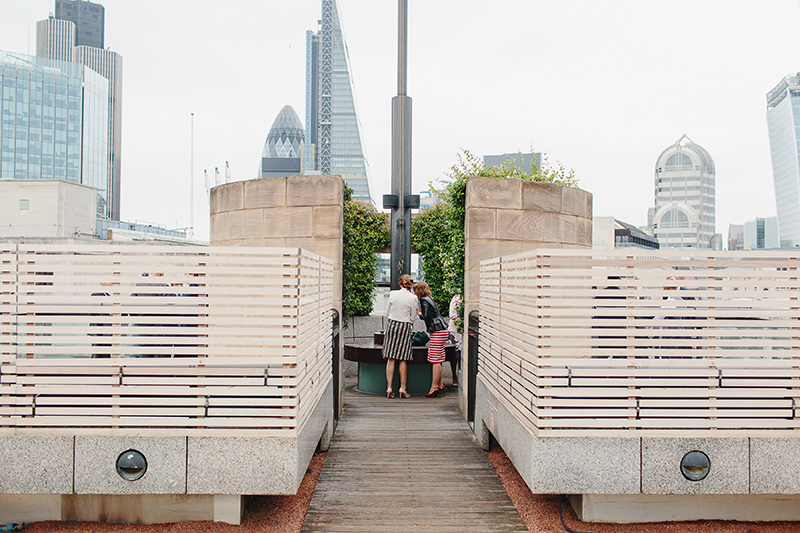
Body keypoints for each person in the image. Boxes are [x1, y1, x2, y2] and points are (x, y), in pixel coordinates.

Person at [383, 274, 418, 398]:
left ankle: (389, 387)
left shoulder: (392, 294)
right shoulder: (413, 298)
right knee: (403, 358)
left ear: (400, 283)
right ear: (410, 285)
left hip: (392, 324)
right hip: (404, 326)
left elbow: (387, 313)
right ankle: (402, 388)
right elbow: (413, 317)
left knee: (390, 358)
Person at [413, 281, 449, 398]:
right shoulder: (429, 299)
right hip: (442, 329)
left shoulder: (424, 300)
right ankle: (440, 384)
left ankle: (434, 387)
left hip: (437, 331)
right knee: (438, 357)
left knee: (435, 359)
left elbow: (426, 317)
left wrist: (419, 313)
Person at [447, 293, 462, 387]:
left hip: (464, 331)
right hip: (455, 330)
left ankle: (461, 374)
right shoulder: (456, 298)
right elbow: (452, 315)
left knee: (462, 355)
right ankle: (454, 376)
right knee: (454, 355)